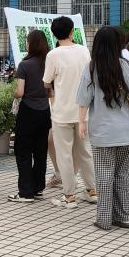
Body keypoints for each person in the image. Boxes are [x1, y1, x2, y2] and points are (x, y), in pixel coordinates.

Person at [78, 27, 129, 229]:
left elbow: (84, 99)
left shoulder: (92, 67)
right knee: (123, 176)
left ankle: (104, 219)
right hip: (127, 131)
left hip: (102, 132)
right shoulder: (125, 65)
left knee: (104, 176)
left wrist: (81, 122)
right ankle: (123, 216)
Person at [43, 16, 97, 209]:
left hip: (61, 113)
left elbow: (47, 83)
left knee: (64, 155)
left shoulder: (53, 55)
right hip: (83, 112)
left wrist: (53, 99)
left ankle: (69, 196)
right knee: (84, 152)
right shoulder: (84, 51)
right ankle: (92, 190)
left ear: (54, 34)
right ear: (72, 31)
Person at [8, 29, 52, 202]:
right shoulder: (48, 63)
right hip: (45, 111)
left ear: (31, 44)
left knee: (23, 150)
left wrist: (14, 94)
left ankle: (26, 192)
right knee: (40, 151)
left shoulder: (25, 65)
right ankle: (38, 188)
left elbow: (20, 92)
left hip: (28, 111)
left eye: (27, 41)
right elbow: (51, 90)